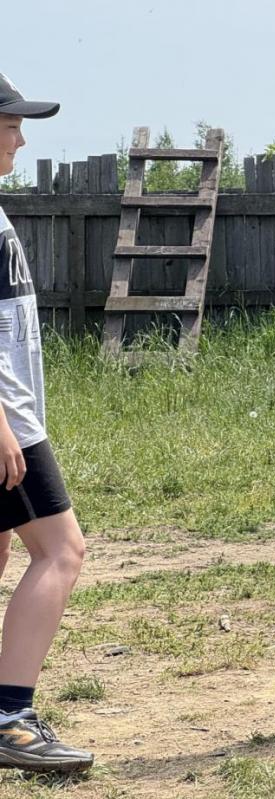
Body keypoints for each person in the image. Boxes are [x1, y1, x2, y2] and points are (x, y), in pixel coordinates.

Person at [0, 73, 92, 773]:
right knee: (62, 551)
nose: (21, 137)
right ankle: (10, 717)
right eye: (10, 124)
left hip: (12, 412)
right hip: (8, 420)